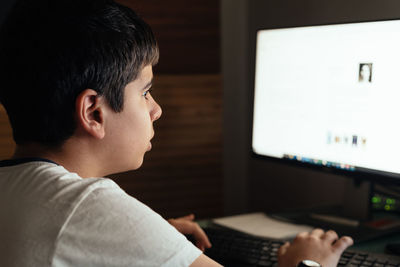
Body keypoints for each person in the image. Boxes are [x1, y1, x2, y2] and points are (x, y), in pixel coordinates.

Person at [0, 0, 353, 266]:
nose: (156, 109)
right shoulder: (88, 206)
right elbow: (87, 222)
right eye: (145, 92)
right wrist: (309, 262)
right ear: (94, 111)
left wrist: (148, 239)